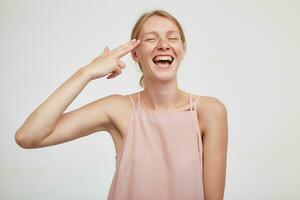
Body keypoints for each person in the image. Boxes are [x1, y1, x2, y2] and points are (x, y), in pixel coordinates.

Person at [15, 9, 228, 200]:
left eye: (172, 38)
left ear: (183, 49)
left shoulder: (209, 112)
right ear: (135, 54)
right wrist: (86, 72)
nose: (164, 45)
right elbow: (28, 136)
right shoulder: (118, 109)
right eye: (151, 39)